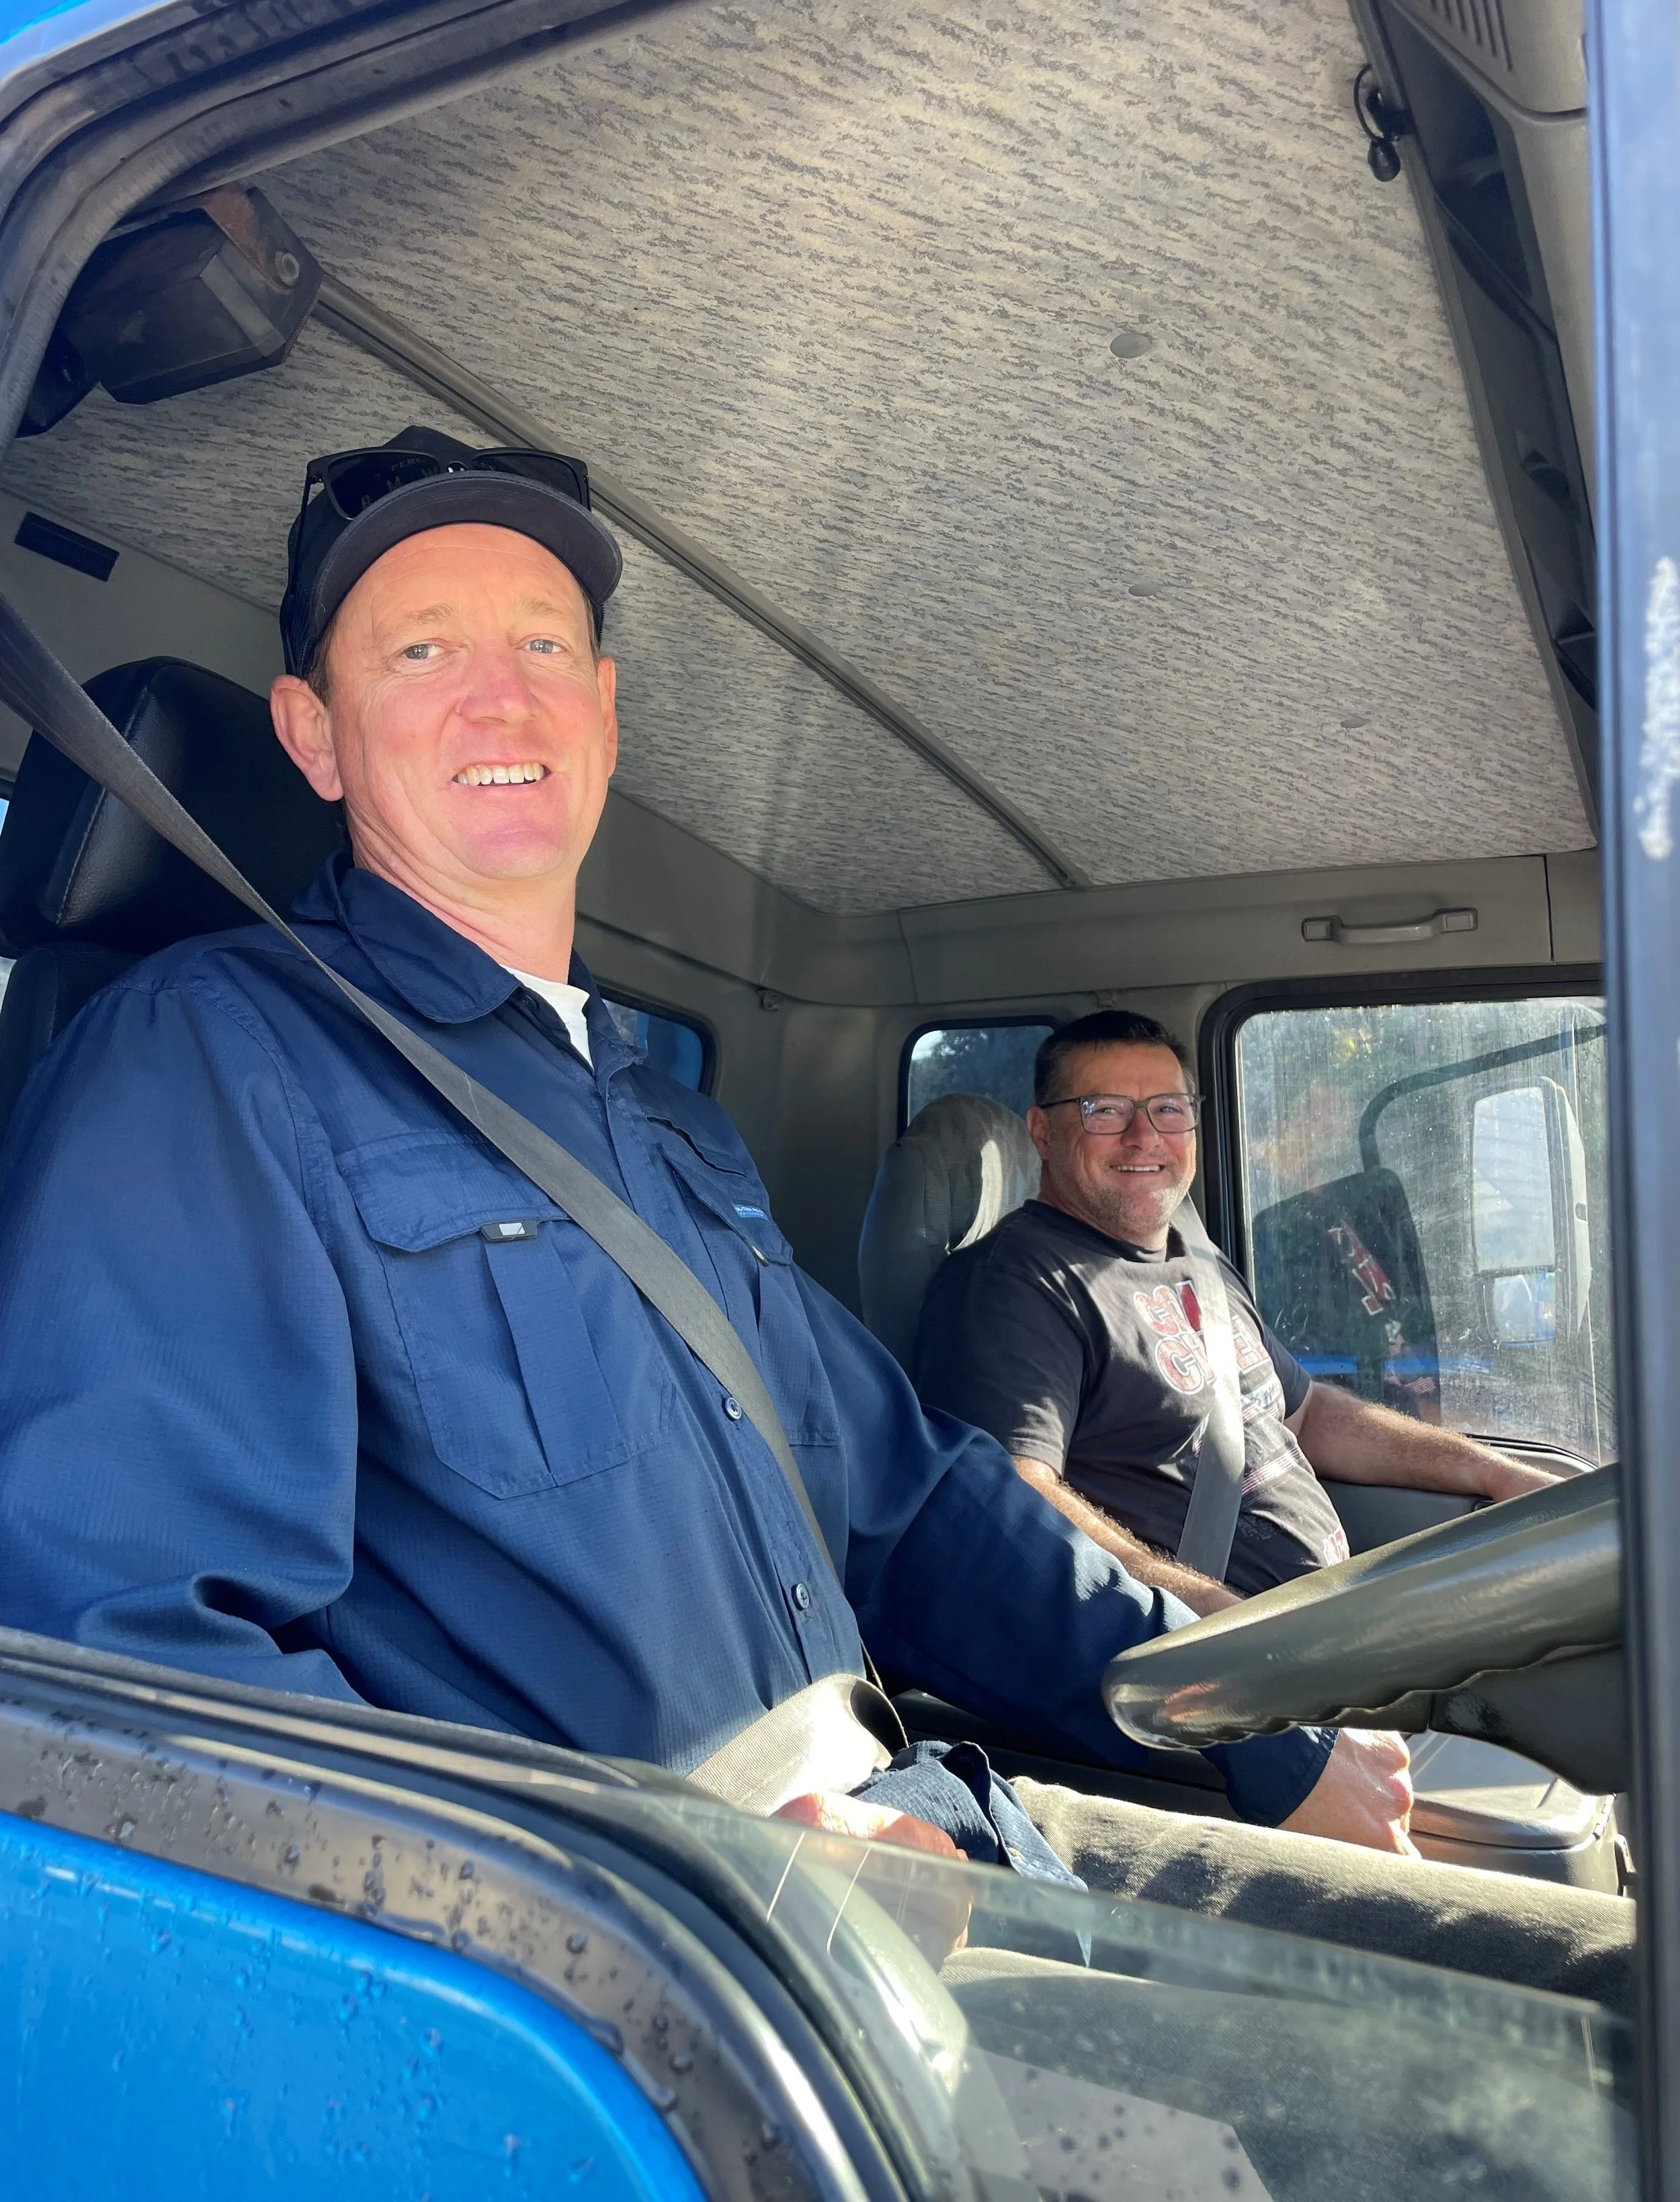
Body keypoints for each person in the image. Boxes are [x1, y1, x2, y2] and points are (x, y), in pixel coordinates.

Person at [0, 425, 1629, 2012]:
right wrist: (664, 1915)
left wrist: (1253, 1726)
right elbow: (132, 1673)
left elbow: (914, 1502)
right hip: (650, 1999)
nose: (502, 695)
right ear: (315, 735)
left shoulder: (656, 1115)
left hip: (916, 1852)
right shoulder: (210, 1061)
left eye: (547, 648)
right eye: (420, 652)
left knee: (1575, 1991)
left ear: (609, 713)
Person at [915, 1010, 1558, 1615]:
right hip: (1218, 1673)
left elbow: (1302, 1411)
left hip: (1323, 1630)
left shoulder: (1194, 1257)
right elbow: (1019, 1496)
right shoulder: (1015, 1283)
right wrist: (1230, 1625)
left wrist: (1490, 1470)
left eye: (1168, 1109)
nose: (1146, 1136)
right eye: (1105, 1110)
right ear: (1043, 1131)